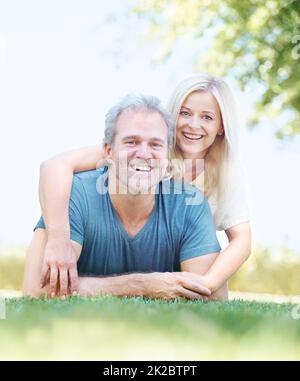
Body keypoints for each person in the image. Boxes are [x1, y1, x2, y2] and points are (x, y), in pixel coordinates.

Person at [36, 74, 251, 300]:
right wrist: (58, 238)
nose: (193, 124)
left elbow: (242, 240)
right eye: (185, 113)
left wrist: (207, 282)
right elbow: (53, 166)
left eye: (207, 117)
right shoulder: (142, 152)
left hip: (187, 260)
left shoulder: (227, 172)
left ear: (221, 127)